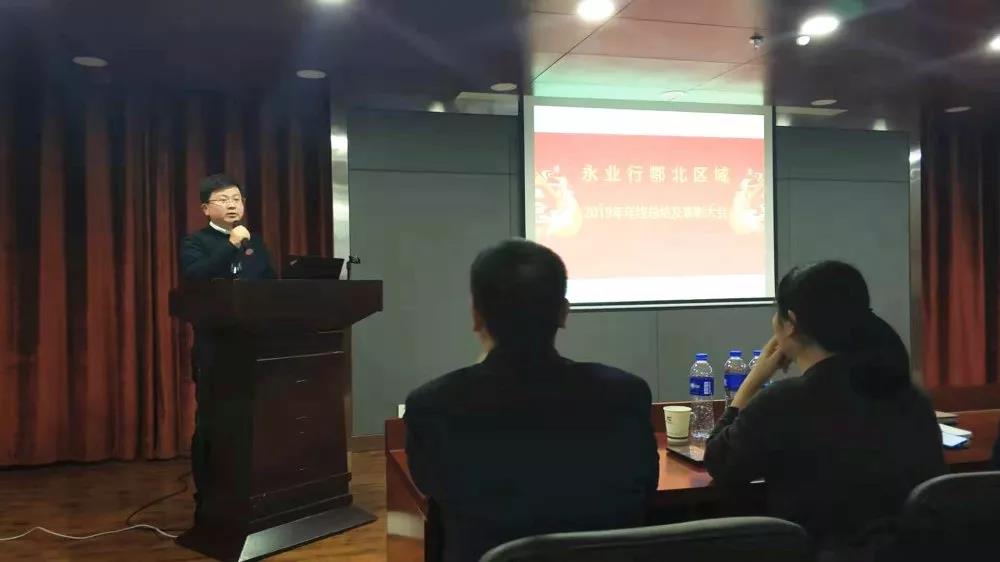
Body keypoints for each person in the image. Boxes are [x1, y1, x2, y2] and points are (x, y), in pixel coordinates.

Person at [404, 239, 658, 562]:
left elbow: (434, 490)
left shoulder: (433, 407)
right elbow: (645, 489)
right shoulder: (627, 395)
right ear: (563, 313)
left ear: (476, 316)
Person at [704, 261, 945, 561]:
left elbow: (720, 462)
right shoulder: (909, 396)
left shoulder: (782, 402)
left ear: (790, 323)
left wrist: (750, 384)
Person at [179, 173, 275, 521]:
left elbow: (271, 285)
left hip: (254, 346)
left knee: (252, 423)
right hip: (215, 348)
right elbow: (197, 277)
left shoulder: (255, 243)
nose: (232, 205)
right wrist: (231, 245)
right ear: (206, 208)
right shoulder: (195, 242)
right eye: (223, 200)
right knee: (213, 423)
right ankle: (209, 497)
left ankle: (251, 492)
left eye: (237, 198)